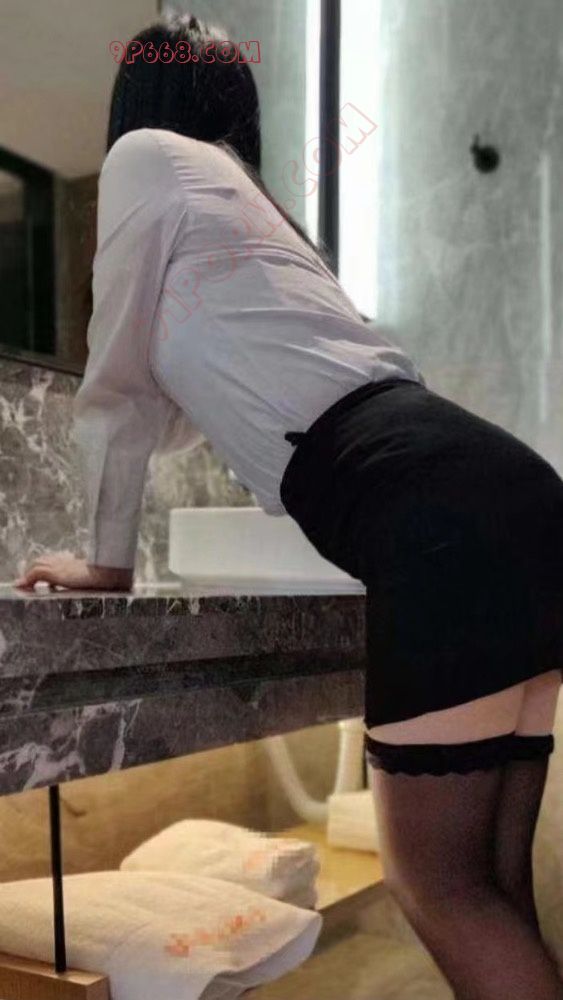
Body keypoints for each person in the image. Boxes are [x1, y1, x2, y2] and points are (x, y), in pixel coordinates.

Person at [14, 12, 563, 998]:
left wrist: (108, 561)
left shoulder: (145, 157)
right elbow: (186, 406)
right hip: (506, 491)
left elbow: (118, 393)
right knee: (490, 885)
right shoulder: (253, 213)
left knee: (436, 886)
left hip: (431, 518)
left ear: (139, 95)